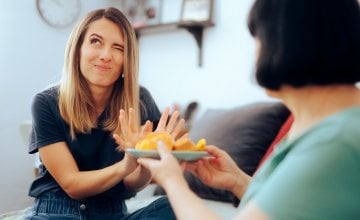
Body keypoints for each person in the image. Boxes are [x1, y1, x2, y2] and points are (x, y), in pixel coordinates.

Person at [120, 0, 360, 219]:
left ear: (288, 40)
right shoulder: (325, 126)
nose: (254, 51)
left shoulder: (335, 142)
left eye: (258, 37)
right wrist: (237, 181)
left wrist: (173, 181)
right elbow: (295, 207)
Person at [26, 7, 179, 220]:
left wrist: (145, 161)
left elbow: (132, 183)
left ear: (127, 59)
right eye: (96, 41)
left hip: (113, 212)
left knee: (176, 206)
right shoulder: (46, 102)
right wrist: (125, 165)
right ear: (78, 48)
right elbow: (72, 184)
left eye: (118, 48)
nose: (106, 55)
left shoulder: (139, 99)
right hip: (58, 211)